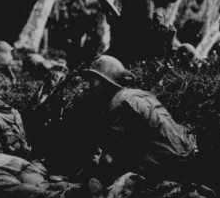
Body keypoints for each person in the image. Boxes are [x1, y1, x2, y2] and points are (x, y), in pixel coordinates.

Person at [76, 54, 197, 184]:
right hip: (187, 150)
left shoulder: (118, 103)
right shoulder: (138, 94)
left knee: (107, 166)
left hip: (168, 163)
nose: (89, 86)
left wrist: (100, 162)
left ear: (107, 82)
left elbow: (117, 152)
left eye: (93, 80)